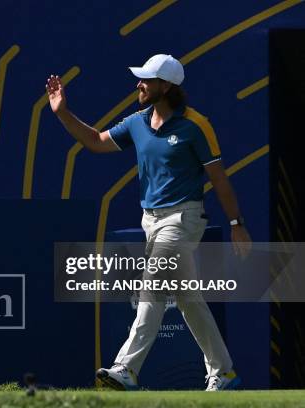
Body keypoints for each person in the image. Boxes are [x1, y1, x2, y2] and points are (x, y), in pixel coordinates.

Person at [46, 54, 252, 391]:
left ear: (166, 86)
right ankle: (224, 372)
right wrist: (63, 113)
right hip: (151, 222)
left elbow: (219, 178)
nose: (138, 84)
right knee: (188, 299)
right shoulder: (138, 122)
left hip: (183, 219)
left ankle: (125, 369)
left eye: (146, 79)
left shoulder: (195, 125)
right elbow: (95, 142)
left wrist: (236, 222)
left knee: (151, 286)